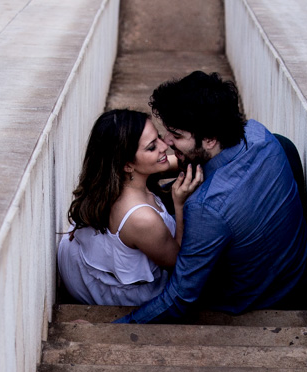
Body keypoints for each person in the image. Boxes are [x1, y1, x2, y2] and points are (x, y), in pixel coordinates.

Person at [118, 71, 307, 324]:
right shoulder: (259, 136)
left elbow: (180, 299)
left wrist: (116, 328)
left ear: (209, 139)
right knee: (284, 144)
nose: (166, 142)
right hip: (295, 270)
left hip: (262, 301)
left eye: (176, 136)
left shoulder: (205, 208)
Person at [58, 109, 203, 306]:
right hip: (114, 291)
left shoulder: (114, 179)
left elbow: (181, 162)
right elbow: (177, 261)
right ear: (127, 165)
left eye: (159, 137)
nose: (164, 146)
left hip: (79, 260)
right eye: (152, 147)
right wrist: (180, 204)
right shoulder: (142, 218)